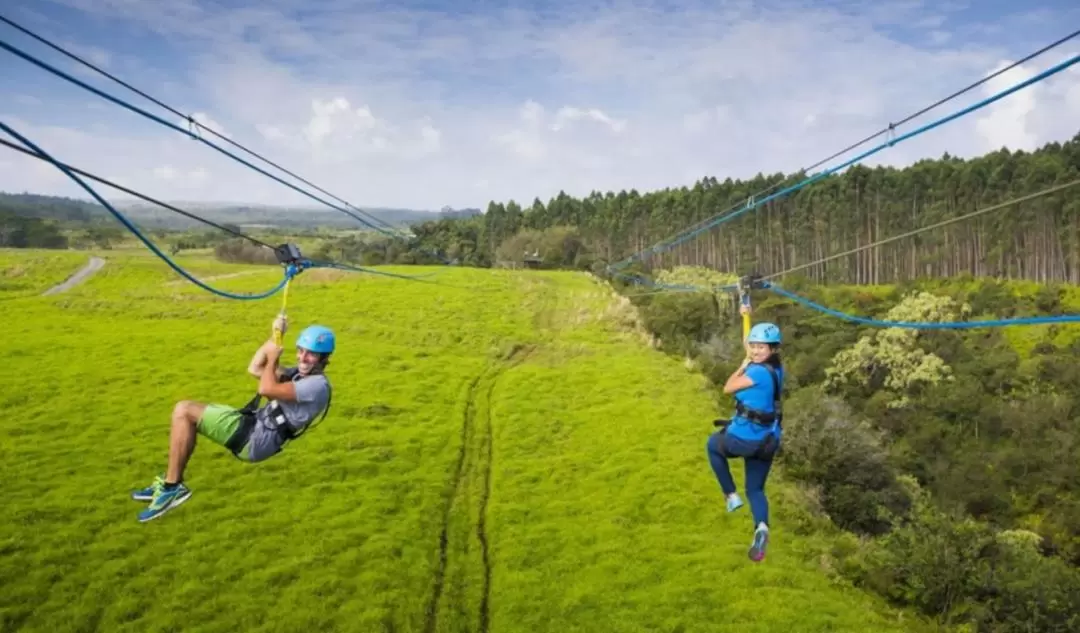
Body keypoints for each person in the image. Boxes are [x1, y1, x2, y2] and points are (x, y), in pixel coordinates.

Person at [130, 317, 335, 522]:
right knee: (185, 411)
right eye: (300, 350)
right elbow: (255, 367)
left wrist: (273, 358)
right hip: (254, 424)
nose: (303, 358)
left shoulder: (317, 386)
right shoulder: (298, 375)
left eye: (311, 354)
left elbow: (265, 388)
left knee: (183, 411)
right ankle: (170, 483)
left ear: (324, 358)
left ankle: (172, 487)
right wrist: (274, 336)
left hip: (257, 439)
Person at [706, 311, 784, 562]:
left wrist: (741, 366)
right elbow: (749, 345)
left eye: (760, 347)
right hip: (768, 440)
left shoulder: (755, 373)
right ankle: (761, 527)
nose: (754, 350)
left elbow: (728, 387)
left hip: (745, 438)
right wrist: (745, 313)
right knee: (756, 489)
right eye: (753, 346)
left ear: (772, 349)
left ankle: (730, 496)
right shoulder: (776, 369)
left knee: (713, 445)